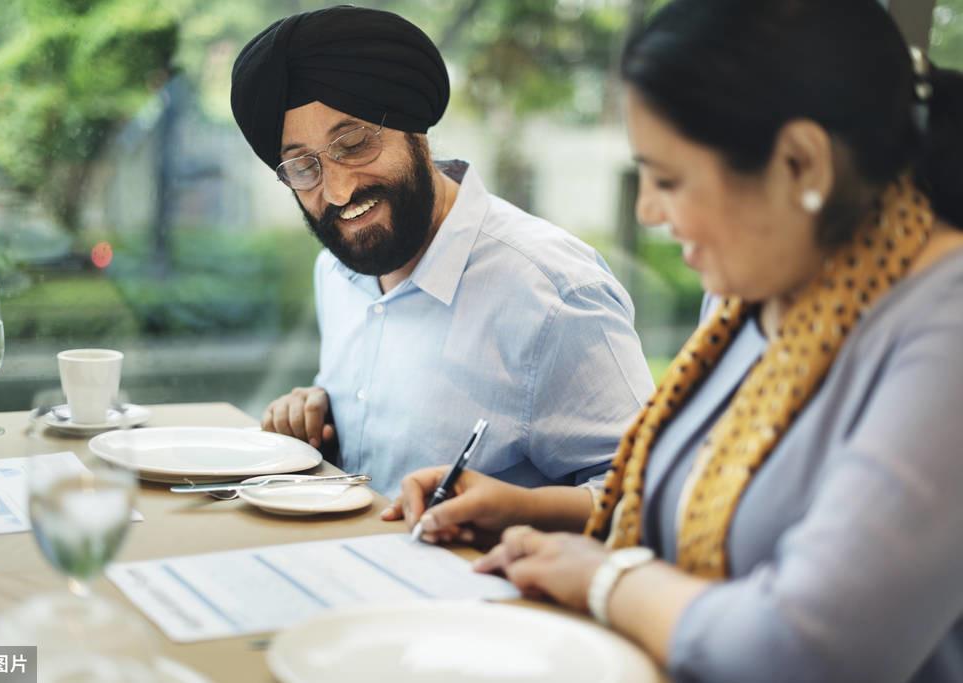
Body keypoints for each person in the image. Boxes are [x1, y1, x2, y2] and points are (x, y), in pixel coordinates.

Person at [385, 1, 963, 680]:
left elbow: (807, 648)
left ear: (800, 164)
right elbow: (708, 514)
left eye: (667, 179)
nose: (647, 212)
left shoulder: (940, 334)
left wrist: (607, 580)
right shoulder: (754, 288)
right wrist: (536, 511)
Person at [230, 6, 654, 498]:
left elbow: (644, 498)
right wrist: (320, 412)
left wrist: (514, 510)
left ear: (415, 129)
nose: (340, 190)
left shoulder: (552, 291)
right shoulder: (337, 270)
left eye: (353, 143)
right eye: (303, 166)